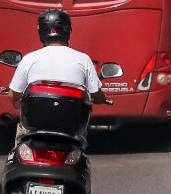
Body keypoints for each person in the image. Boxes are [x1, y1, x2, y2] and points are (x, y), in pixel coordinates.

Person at [8, 9, 109, 141]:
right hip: (72, 129)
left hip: (36, 127)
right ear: (69, 31)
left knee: (21, 135)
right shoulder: (83, 59)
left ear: (41, 32)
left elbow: (13, 95)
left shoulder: (29, 59)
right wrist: (103, 98)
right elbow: (96, 93)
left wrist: (17, 103)